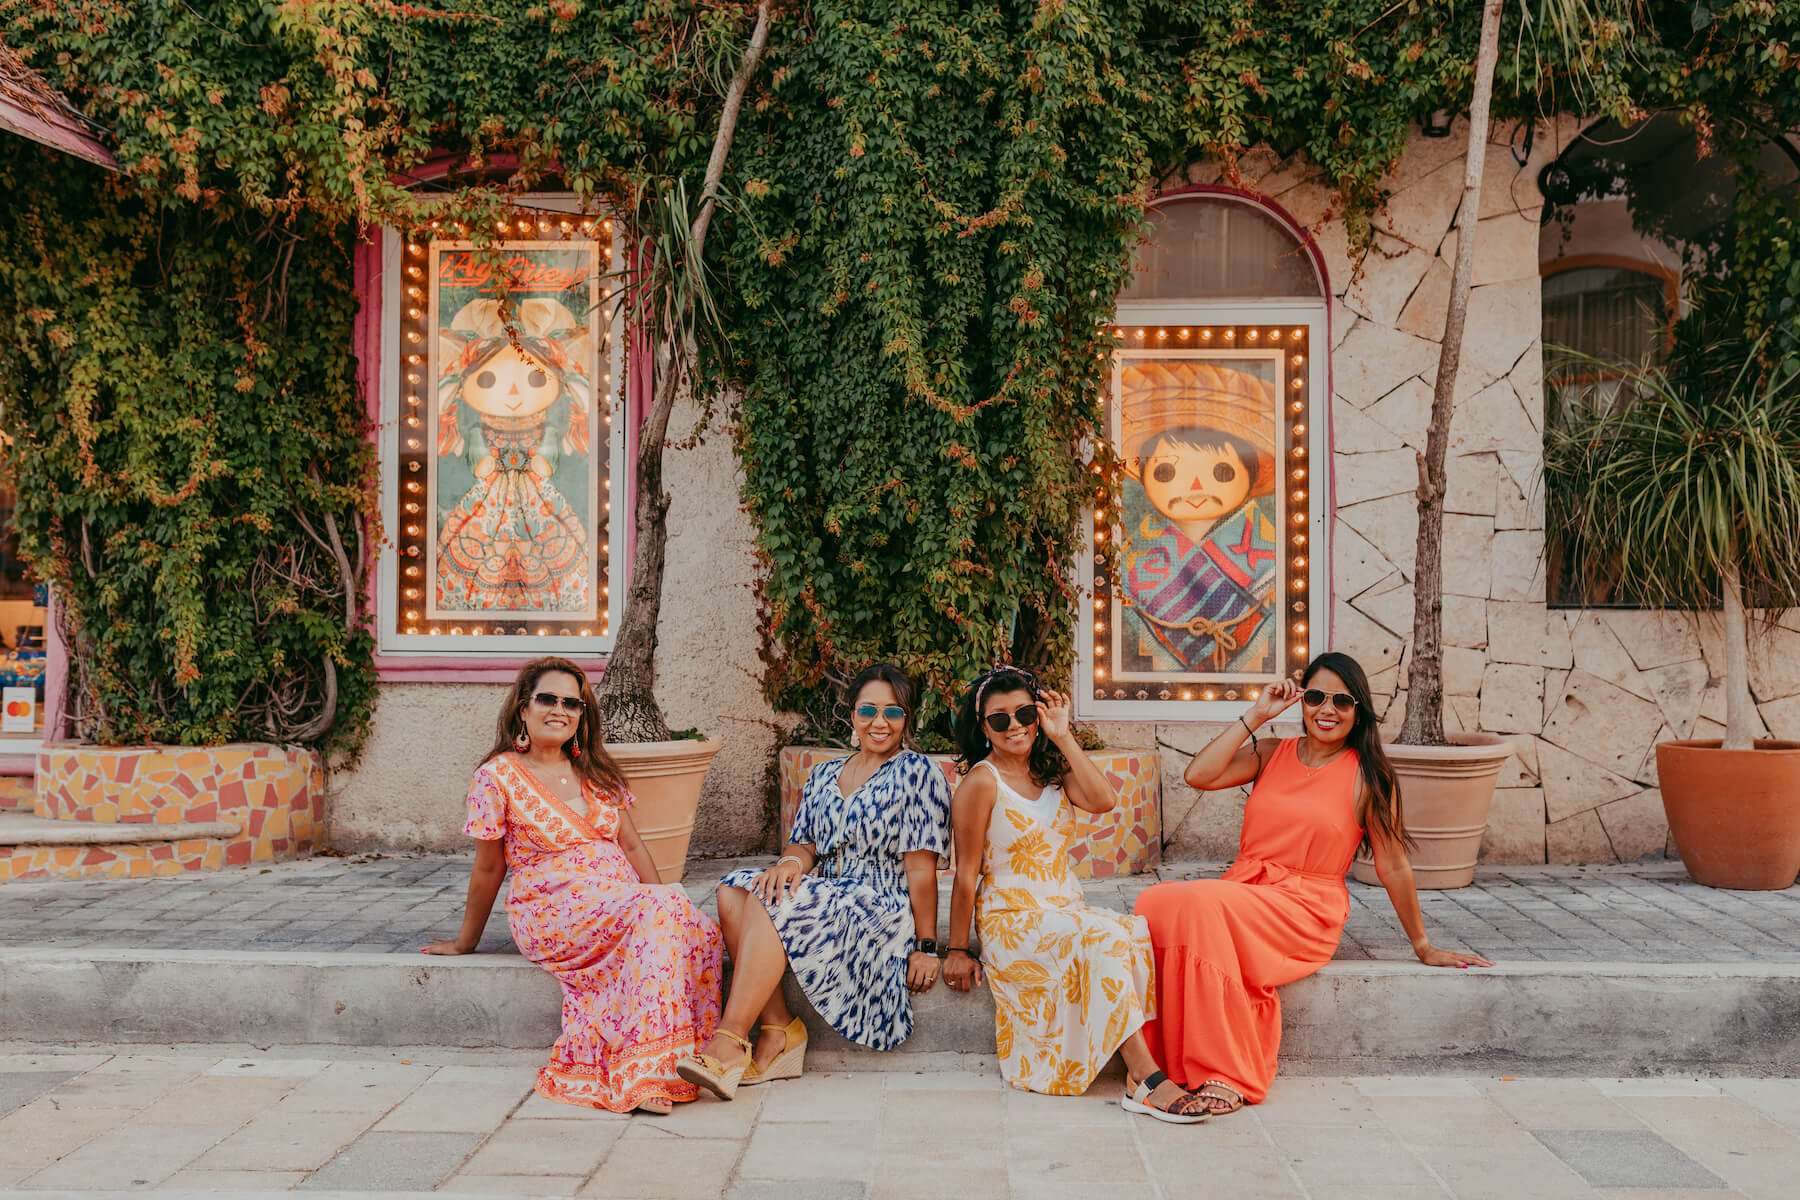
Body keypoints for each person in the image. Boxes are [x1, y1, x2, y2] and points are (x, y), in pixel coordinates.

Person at [1133, 651, 1494, 1115]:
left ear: (1358, 710)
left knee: (1200, 902)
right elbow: (1197, 774)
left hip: (1305, 907)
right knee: (1155, 900)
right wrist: (1258, 714)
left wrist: (1422, 944)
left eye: (1342, 701)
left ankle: (1227, 1071)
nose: (1327, 709)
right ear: (1301, 701)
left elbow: (1394, 865)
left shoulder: (1369, 777)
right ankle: (1162, 1061)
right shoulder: (1269, 752)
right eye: (1317, 696)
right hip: (1245, 889)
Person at [423, 656, 723, 1115]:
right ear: (523, 708)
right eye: (547, 699)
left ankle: (682, 1057)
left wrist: (666, 898)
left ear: (582, 716)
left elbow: (634, 847)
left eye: (572, 703)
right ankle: (644, 1075)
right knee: (661, 915)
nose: (559, 709)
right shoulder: (496, 777)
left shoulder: (596, 772)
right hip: (551, 910)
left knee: (696, 927)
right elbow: (488, 869)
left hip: (616, 903)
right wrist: (467, 941)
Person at [942, 666, 1210, 1123]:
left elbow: (1105, 801)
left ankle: (1149, 1066)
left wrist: (1063, 737)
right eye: (999, 719)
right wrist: (956, 949)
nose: (1015, 726)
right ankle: (1145, 1080)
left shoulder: (1052, 771)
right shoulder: (981, 783)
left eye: (1025, 713)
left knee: (1129, 930)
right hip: (1012, 918)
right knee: (1100, 937)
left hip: (1063, 909)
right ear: (982, 727)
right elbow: (966, 875)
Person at [676, 663, 951, 1101]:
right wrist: (788, 863)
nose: (880, 722)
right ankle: (780, 1027)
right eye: (869, 710)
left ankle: (728, 1040)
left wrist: (926, 946)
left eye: (893, 712)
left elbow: (920, 870)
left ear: (907, 718)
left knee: (779, 900)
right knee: (734, 888)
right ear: (852, 714)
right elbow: (804, 846)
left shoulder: (918, 774)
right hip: (832, 892)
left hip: (880, 903)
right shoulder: (824, 775)